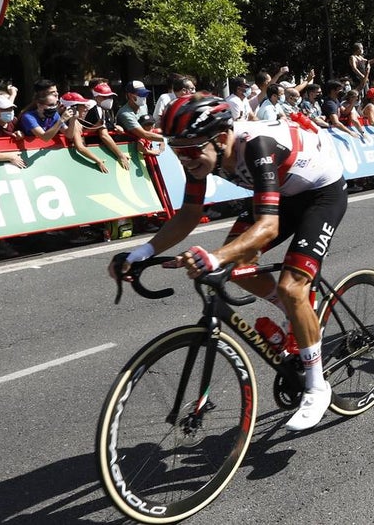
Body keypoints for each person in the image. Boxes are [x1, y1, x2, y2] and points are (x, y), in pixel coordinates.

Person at [114, 94, 347, 431]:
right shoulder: (202, 154)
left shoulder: (257, 146)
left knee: (291, 286)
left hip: (321, 195)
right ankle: (295, 312)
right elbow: (189, 214)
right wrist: (142, 252)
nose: (185, 160)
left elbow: (269, 227)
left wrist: (214, 256)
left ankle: (317, 386)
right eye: (178, 151)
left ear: (222, 138)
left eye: (192, 151)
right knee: (234, 267)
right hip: (282, 193)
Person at [117, 80, 166, 147]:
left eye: (145, 94)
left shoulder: (143, 106)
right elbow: (144, 134)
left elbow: (148, 128)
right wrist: (169, 139)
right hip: (127, 147)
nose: (144, 97)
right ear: (130, 95)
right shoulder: (124, 113)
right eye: (141, 94)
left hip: (143, 144)